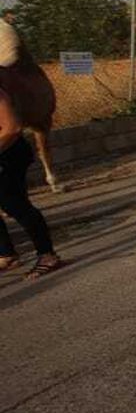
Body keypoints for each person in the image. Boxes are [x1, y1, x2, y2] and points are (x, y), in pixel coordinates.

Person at [0, 80, 62, 280]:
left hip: (9, 154)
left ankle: (47, 255)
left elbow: (12, 127)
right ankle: (6, 254)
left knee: (15, 204)